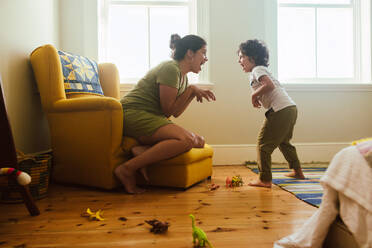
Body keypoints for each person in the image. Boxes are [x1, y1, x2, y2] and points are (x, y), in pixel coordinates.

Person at [115, 34, 216, 193]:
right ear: (190, 53)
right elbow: (167, 110)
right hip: (132, 113)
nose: (206, 58)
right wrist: (191, 90)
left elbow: (174, 113)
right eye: (203, 53)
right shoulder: (170, 69)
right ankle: (127, 169)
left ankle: (143, 151)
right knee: (187, 139)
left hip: (150, 117)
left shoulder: (183, 79)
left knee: (199, 141)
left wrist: (191, 92)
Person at [237, 39, 304, 188]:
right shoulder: (258, 70)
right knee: (284, 142)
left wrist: (253, 96)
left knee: (263, 145)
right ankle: (297, 171)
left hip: (280, 110)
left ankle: (265, 179)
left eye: (241, 57)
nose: (239, 60)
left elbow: (269, 85)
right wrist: (257, 95)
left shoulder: (257, 70)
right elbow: (268, 87)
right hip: (290, 108)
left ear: (252, 58)